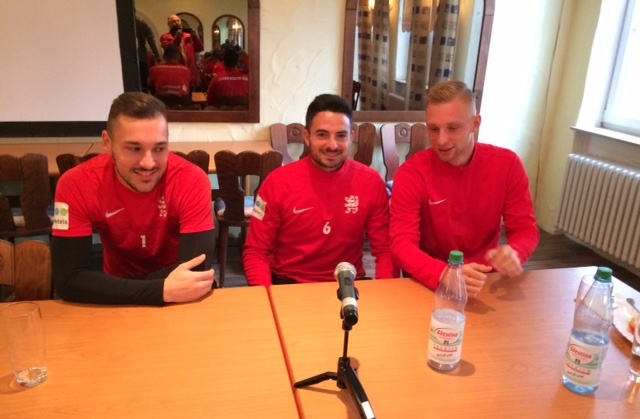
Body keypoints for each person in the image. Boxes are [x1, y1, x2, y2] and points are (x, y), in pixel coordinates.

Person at [51, 92, 215, 306]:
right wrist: (160, 290)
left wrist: (109, 287)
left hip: (158, 295)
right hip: (137, 296)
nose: (148, 163)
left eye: (159, 148)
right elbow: (67, 280)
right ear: (107, 143)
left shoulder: (192, 180)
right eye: (134, 149)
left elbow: (197, 271)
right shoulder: (74, 184)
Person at [390, 80, 540, 298]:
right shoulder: (412, 173)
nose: (441, 140)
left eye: (453, 128)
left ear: (475, 124)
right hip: (430, 280)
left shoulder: (507, 164)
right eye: (433, 129)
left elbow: (525, 228)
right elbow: (401, 243)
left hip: (486, 280)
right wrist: (443, 273)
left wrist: (515, 252)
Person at [242, 93, 397, 286]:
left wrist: (386, 291)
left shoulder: (371, 182)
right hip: (289, 283)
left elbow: (385, 251)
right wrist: (266, 296)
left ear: (351, 137)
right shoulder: (277, 183)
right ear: (307, 137)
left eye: (341, 135)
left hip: (348, 283)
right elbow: (256, 251)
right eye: (322, 135)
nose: (332, 145)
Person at [160, 14, 204, 89]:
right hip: (176, 71)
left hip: (191, 70)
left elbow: (199, 48)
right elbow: (170, 50)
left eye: (178, 21)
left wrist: (195, 37)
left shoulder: (188, 36)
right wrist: (177, 38)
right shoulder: (165, 37)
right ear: (169, 24)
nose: (177, 23)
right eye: (174, 21)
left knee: (191, 93)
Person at [135, 17, 161, 93]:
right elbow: (151, 41)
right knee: (143, 84)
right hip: (141, 57)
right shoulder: (143, 25)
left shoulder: (122, 24)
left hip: (127, 59)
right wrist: (157, 55)